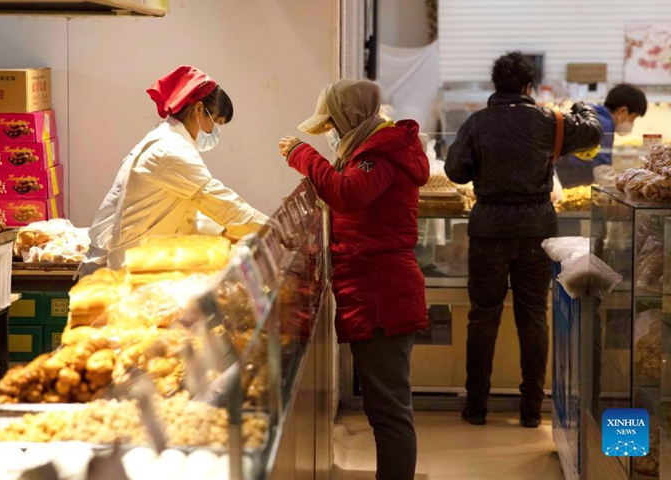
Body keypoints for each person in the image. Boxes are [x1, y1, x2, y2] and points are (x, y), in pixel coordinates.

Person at [279, 79, 429, 480]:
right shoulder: (371, 149)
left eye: (331, 125)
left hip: (382, 292)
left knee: (389, 411)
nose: (331, 133)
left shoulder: (378, 154)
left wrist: (302, 155)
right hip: (374, 288)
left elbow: (347, 194)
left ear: (348, 117)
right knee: (385, 407)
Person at [445, 52, 602, 428]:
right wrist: (580, 106)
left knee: (483, 318)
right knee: (533, 316)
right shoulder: (549, 120)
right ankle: (532, 410)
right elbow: (592, 131)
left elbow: (455, 171)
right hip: (536, 229)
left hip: (489, 230)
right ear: (529, 87)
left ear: (496, 86)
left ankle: (477, 408)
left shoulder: (477, 122)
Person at [80, 66, 268, 276]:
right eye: (217, 122)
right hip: (129, 265)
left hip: (139, 259)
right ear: (198, 110)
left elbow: (185, 205)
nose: (216, 132)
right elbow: (221, 202)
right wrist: (274, 232)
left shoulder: (169, 140)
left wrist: (223, 231)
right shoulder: (172, 151)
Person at [555, 83, 648, 188]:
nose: (632, 124)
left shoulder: (592, 114)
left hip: (560, 176)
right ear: (623, 111)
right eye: (633, 118)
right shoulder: (603, 124)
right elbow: (602, 168)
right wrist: (619, 194)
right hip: (570, 180)